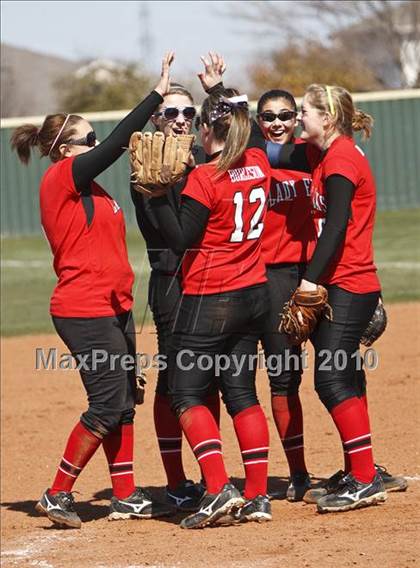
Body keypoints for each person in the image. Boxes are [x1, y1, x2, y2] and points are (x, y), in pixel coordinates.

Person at [10, 53, 175, 528]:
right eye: (89, 140)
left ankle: (123, 494)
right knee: (107, 403)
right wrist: (156, 95)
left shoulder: (94, 190)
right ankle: (57, 491)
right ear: (66, 149)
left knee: (125, 402)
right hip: (83, 309)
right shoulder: (63, 177)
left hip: (114, 306)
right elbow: (121, 141)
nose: (98, 145)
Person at [149, 87, 273, 529]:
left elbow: (180, 239)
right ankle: (258, 496)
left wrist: (158, 194)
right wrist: (223, 89)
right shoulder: (258, 163)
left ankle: (219, 488)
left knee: (184, 392)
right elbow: (252, 131)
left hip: (210, 298)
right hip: (255, 293)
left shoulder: (205, 177)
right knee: (241, 392)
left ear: (205, 131)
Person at [268, 83, 395, 513]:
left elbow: (337, 225)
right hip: (343, 282)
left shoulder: (339, 160)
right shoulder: (323, 154)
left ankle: (363, 479)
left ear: (328, 118)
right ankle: (361, 469)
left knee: (331, 379)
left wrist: (309, 281)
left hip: (349, 283)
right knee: (346, 376)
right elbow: (270, 150)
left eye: (304, 111)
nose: (297, 118)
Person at [130, 54, 225, 512]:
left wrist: (217, 90)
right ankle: (176, 480)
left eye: (190, 112)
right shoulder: (148, 164)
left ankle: (216, 478)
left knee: (214, 384)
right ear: (156, 119)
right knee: (174, 382)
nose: (182, 119)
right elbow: (168, 234)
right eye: (172, 112)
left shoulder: (206, 158)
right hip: (172, 284)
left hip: (213, 284)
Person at [256, 89, 316, 502]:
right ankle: (298, 474)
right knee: (284, 376)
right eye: (268, 116)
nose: (277, 122)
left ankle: (360, 466)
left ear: (297, 117)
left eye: (285, 114)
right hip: (273, 275)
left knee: (341, 372)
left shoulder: (311, 155)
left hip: (316, 273)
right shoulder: (253, 158)